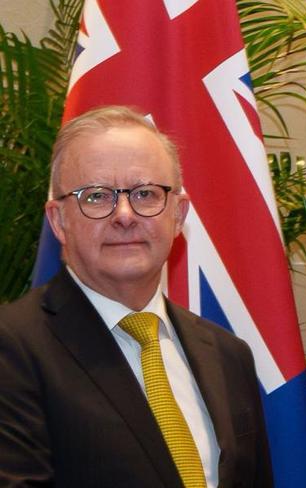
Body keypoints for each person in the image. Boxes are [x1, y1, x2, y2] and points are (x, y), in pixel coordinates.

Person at [0, 106, 273, 487]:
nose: (124, 214)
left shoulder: (228, 355)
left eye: (145, 193)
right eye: (96, 196)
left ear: (178, 215)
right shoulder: (13, 349)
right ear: (59, 220)